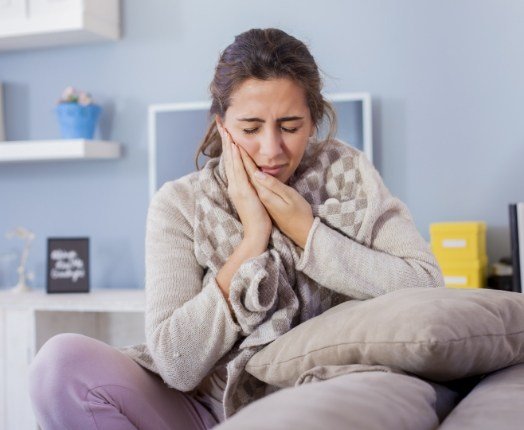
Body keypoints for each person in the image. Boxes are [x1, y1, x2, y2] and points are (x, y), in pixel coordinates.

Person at [28, 28, 444, 430]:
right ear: (221, 125)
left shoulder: (350, 178)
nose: (271, 149)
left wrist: (307, 233)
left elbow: (425, 284)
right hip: (198, 407)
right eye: (250, 129)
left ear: (314, 120)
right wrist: (252, 242)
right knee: (58, 365)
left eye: (290, 126)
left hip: (311, 401)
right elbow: (176, 363)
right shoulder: (180, 203)